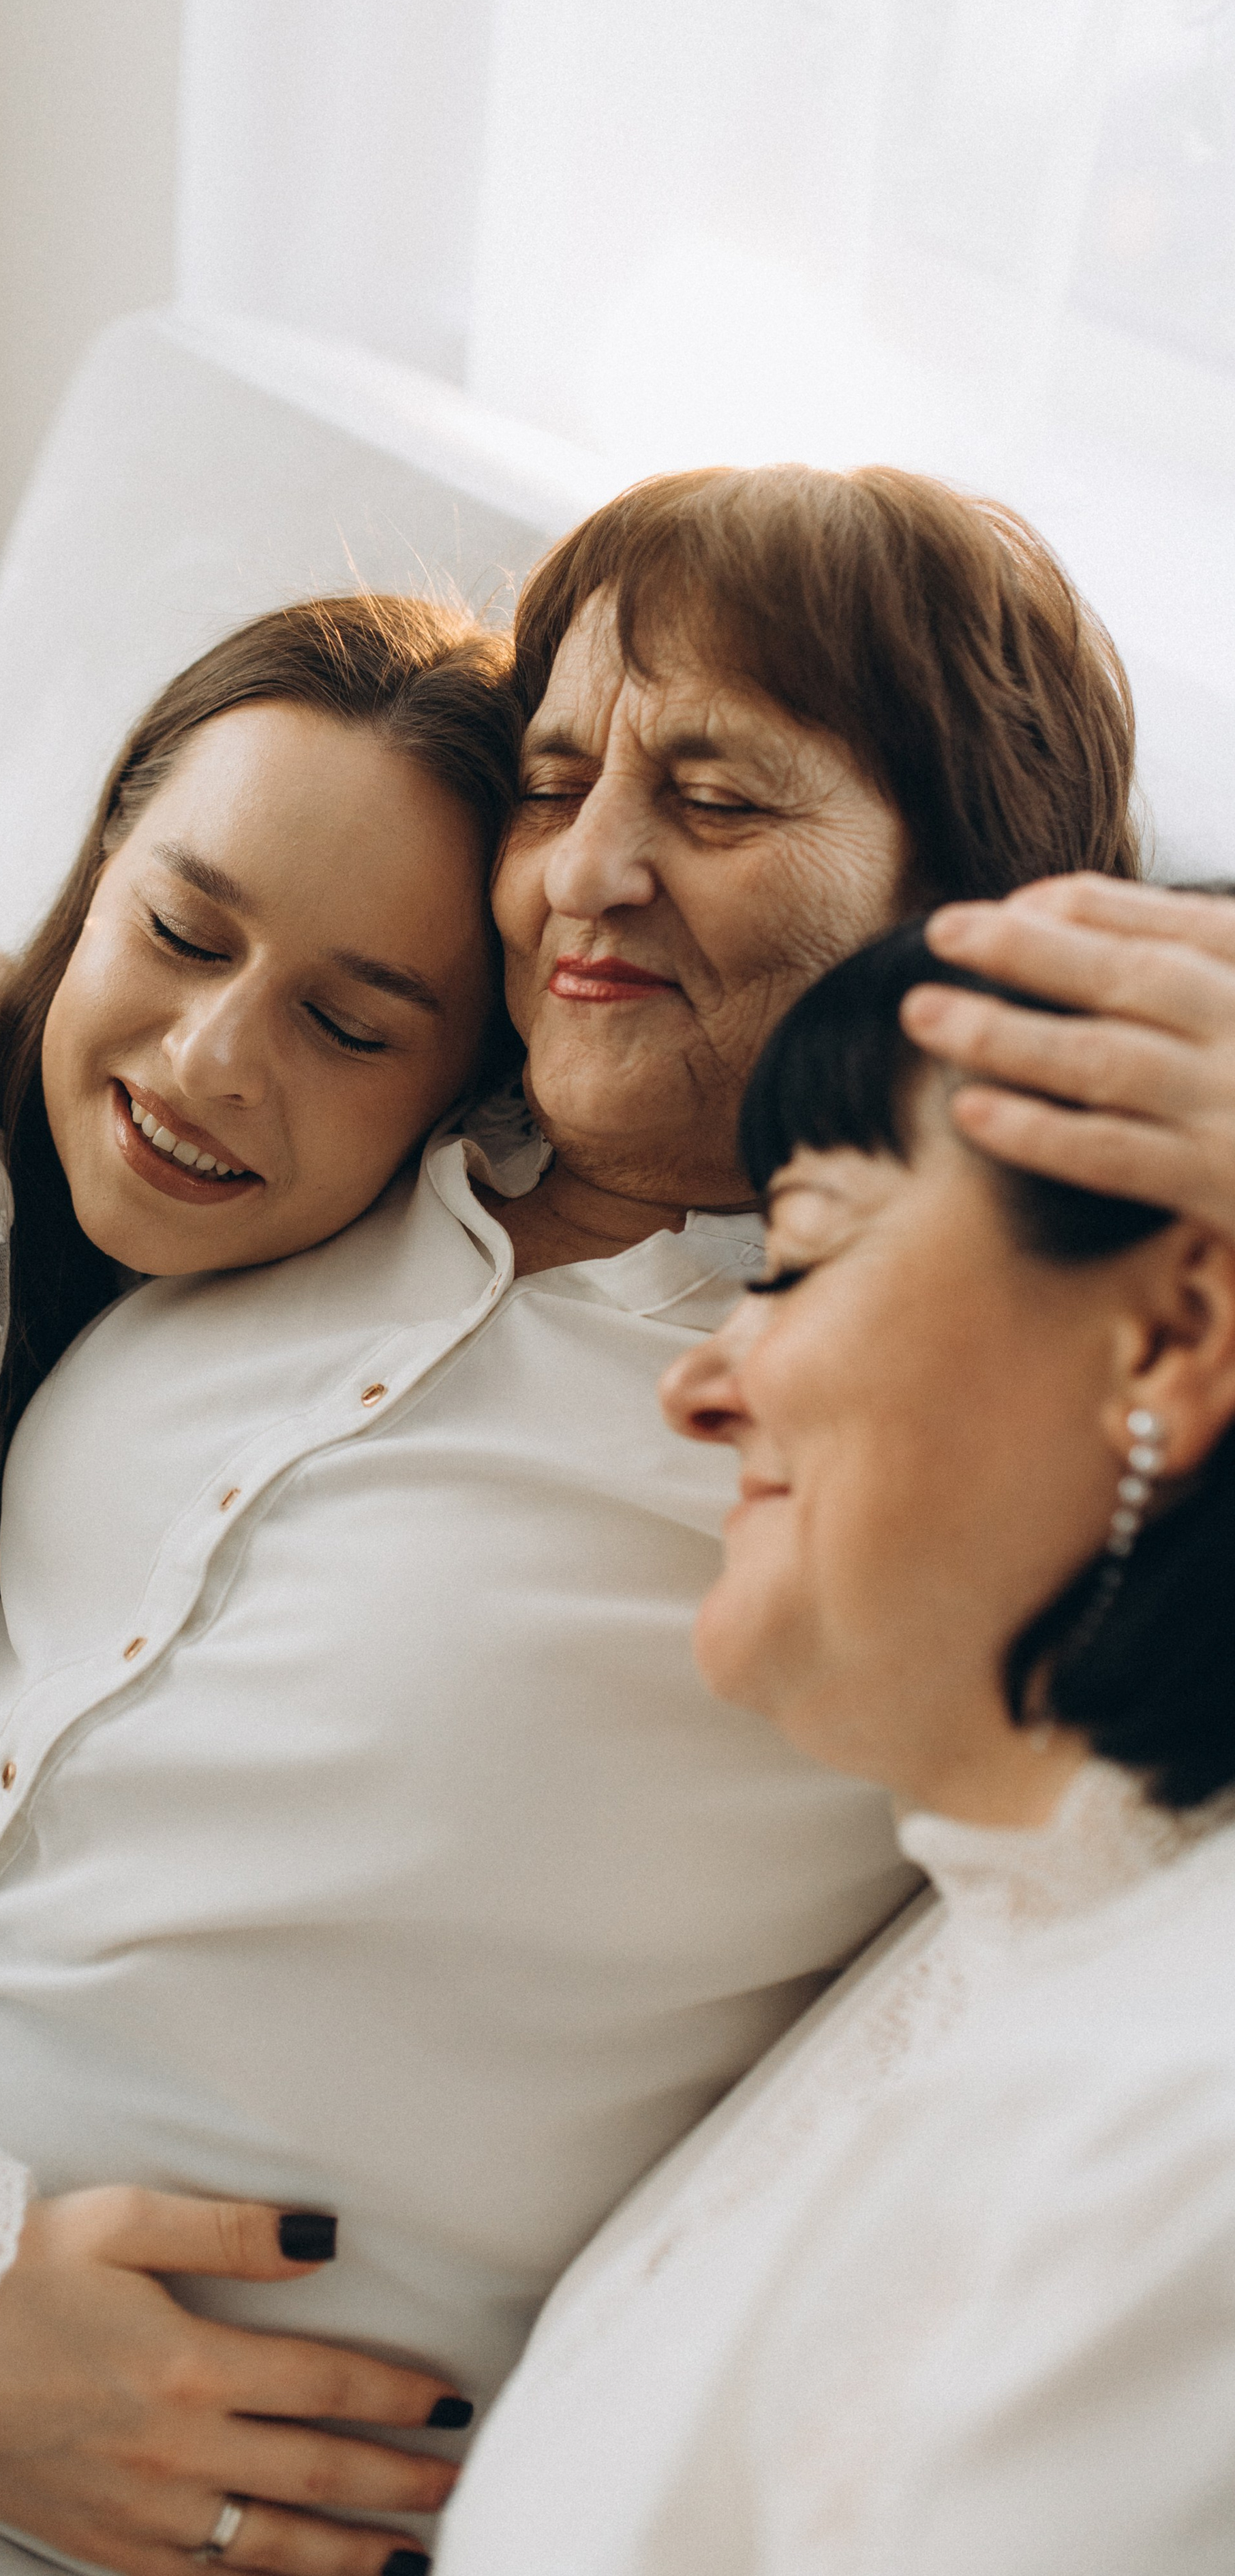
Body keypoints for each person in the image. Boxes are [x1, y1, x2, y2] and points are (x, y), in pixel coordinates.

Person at [0, 467, 1138, 2576]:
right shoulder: (383, 1140)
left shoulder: (968, 1416)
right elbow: (216, 1027)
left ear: (971, 900)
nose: (590, 875)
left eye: (715, 799)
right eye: (559, 783)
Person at [434, 917, 1235, 2576]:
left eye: (796, 1255)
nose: (697, 1389)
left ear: (1164, 1339)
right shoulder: (983, 1924)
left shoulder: (1175, 2132)